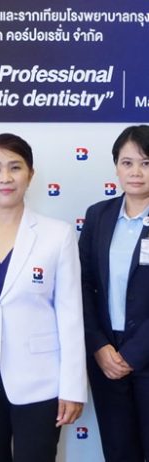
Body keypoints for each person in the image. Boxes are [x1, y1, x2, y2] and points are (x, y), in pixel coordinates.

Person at [0, 133, 87, 462]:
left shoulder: (58, 235)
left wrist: (72, 387)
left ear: (30, 174)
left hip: (40, 381)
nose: (5, 178)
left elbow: (70, 315)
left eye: (15, 167)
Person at [79, 125, 149, 462]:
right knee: (119, 452)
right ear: (116, 167)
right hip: (106, 356)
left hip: (145, 350)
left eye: (146, 163)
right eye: (127, 163)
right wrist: (99, 345)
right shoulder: (99, 216)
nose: (136, 172)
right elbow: (82, 283)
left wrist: (134, 353)